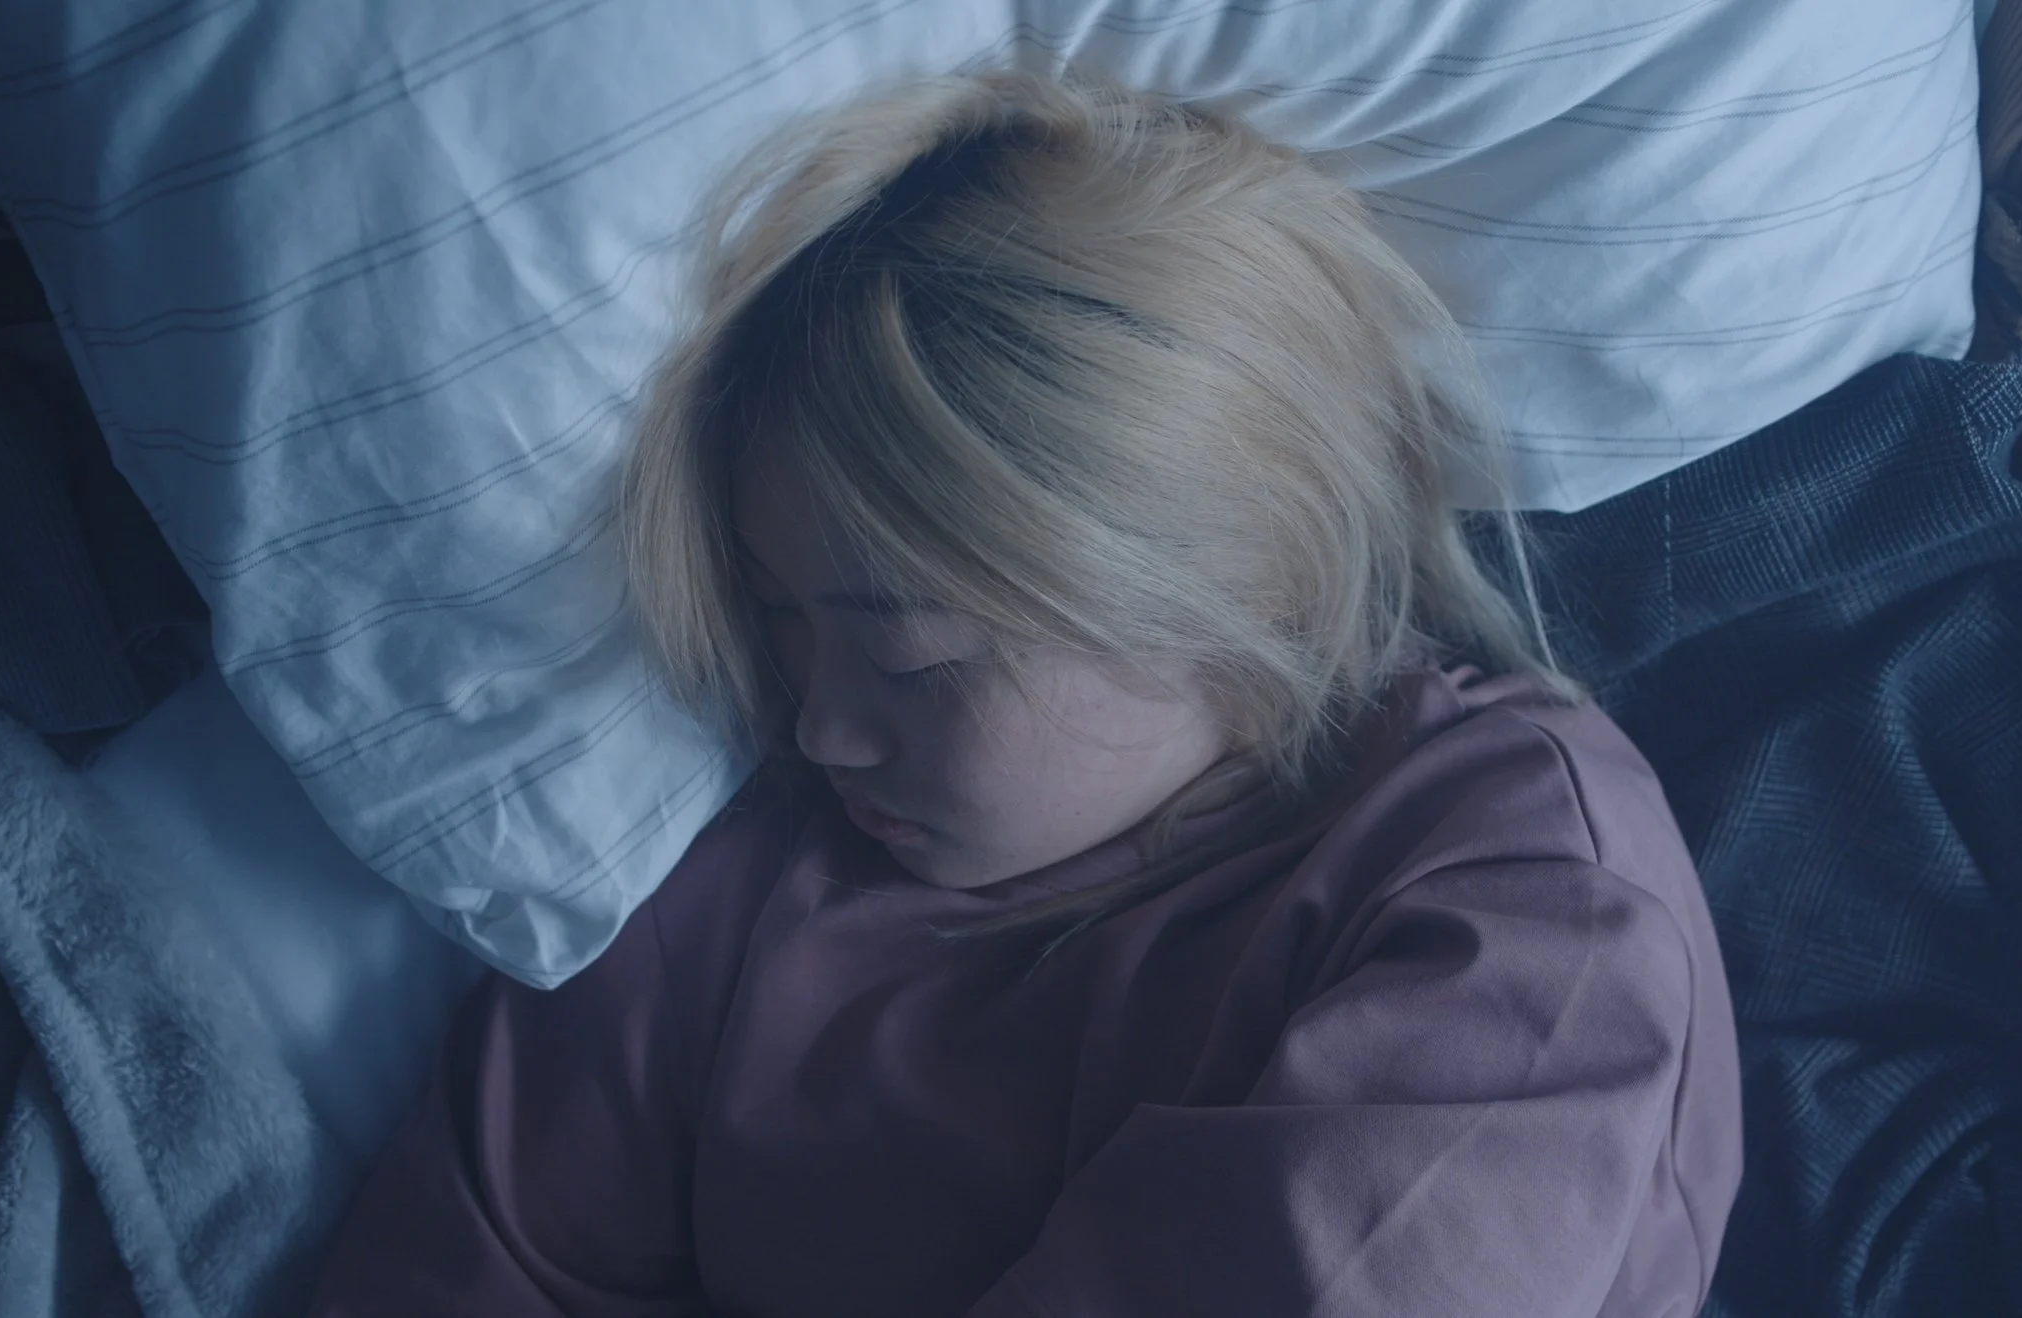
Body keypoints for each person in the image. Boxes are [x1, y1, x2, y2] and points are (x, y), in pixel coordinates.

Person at [307, 67, 1738, 1318]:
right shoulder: (740, 879)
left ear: (1220, 592)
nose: (819, 725)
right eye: (786, 625)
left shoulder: (1519, 884)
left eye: (911, 656)